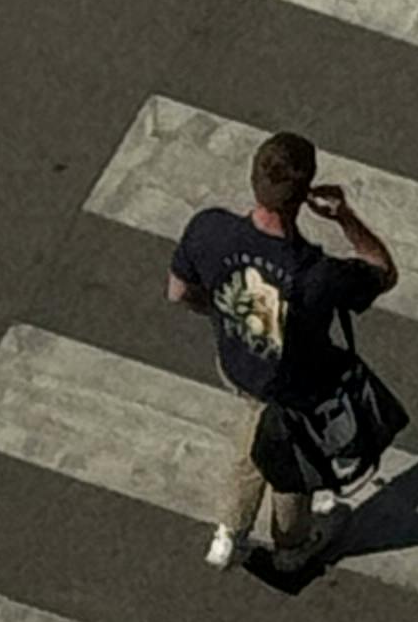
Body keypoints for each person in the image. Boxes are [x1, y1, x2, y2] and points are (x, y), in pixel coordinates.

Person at [166, 130, 397, 575]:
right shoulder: (316, 275)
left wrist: (225, 317)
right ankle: (291, 545)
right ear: (305, 192)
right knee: (291, 458)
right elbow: (383, 272)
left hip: (236, 366)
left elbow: (178, 293)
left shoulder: (209, 228)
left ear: (253, 178)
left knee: (252, 437)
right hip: (296, 386)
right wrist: (345, 217)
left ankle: (229, 535)